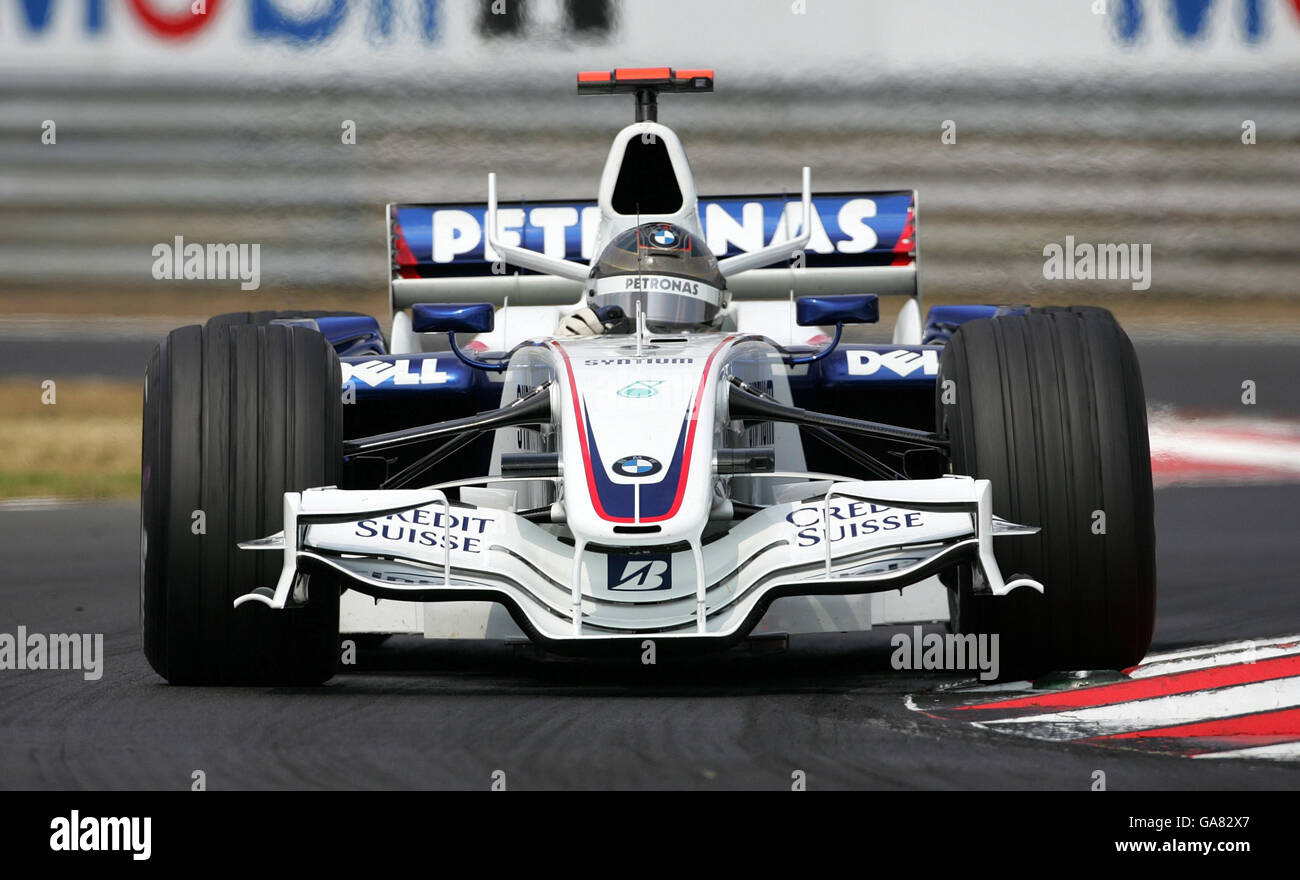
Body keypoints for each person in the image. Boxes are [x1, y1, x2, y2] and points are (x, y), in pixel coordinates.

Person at [555, 222, 727, 337]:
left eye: (677, 309)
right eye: (636, 304)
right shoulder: (581, 342)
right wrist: (568, 349)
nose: (649, 335)